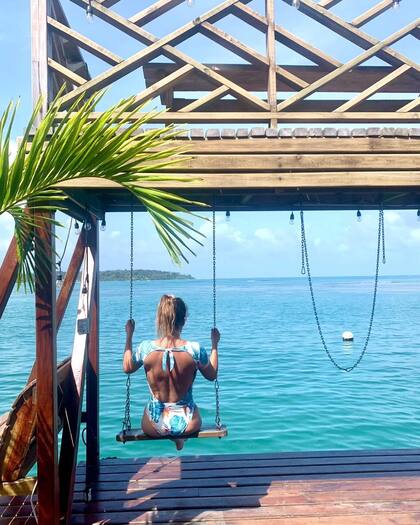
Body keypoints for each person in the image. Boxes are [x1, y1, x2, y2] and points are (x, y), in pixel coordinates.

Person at [123, 294, 220, 450]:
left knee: (152, 409)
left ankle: (176, 438)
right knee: (190, 413)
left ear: (159, 319)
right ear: (184, 320)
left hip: (153, 425)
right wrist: (214, 345)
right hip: (188, 423)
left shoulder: (145, 349)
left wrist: (129, 336)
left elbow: (127, 367)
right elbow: (212, 375)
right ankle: (179, 438)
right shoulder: (194, 349)